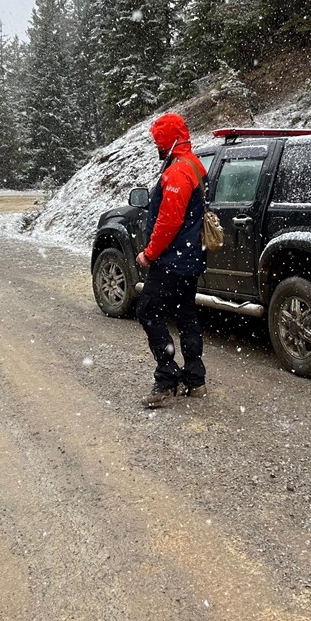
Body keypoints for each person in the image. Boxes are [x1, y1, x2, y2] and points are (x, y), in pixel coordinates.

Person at [135, 112, 208, 408]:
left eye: (158, 140)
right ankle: (195, 377)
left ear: (168, 140)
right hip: (190, 257)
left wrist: (149, 253)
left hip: (173, 260)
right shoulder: (194, 164)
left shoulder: (177, 171)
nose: (156, 146)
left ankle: (167, 376)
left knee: (148, 310)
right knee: (185, 314)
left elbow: (169, 221)